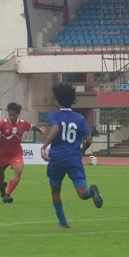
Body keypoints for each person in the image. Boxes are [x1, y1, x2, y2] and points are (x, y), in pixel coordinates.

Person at [40, 83, 103, 228]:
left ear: (58, 99)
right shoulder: (80, 118)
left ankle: (63, 223)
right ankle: (91, 191)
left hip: (57, 159)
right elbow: (89, 139)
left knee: (55, 190)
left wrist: (44, 146)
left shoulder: (54, 115)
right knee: (82, 193)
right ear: (72, 99)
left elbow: (55, 129)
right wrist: (81, 150)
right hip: (74, 159)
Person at [0, 102, 45, 203]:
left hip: (16, 154)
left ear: (18, 115)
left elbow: (32, 126)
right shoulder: (2, 123)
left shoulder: (23, 123)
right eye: (10, 115)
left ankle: (7, 195)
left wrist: (40, 130)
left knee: (19, 170)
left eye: (14, 115)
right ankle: (2, 187)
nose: (12, 117)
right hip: (2, 156)